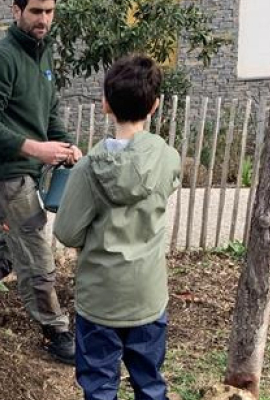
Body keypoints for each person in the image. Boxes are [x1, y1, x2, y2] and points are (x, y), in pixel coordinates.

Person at [0, 0, 82, 365]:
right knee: (36, 251)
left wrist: (66, 145)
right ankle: (56, 332)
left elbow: (48, 113)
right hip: (5, 176)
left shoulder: (42, 57)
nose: (44, 19)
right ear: (15, 10)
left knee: (9, 250)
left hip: (26, 173)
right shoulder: (0, 58)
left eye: (50, 11)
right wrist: (37, 150)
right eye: (36, 10)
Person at [53, 54, 181, 400]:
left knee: (99, 386)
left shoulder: (88, 169)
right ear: (155, 105)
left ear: (105, 104)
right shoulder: (168, 158)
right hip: (147, 296)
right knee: (150, 384)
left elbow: (66, 232)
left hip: (101, 300)